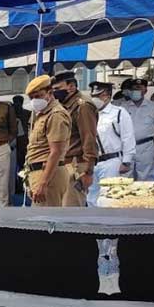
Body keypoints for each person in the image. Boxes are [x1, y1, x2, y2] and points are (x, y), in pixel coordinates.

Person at [51, 71, 98, 206]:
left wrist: (88, 171)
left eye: (58, 89)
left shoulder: (82, 106)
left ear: (71, 87)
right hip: (63, 165)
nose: (55, 93)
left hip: (76, 165)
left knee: (71, 210)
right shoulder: (63, 105)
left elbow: (89, 138)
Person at [23, 75, 71, 206]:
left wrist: (43, 183)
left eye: (38, 96)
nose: (34, 100)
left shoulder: (56, 115)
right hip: (40, 173)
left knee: (45, 221)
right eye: (31, 98)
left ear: (50, 93)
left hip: (48, 175)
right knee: (39, 220)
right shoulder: (42, 114)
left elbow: (55, 152)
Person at [87, 81, 135, 206]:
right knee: (91, 197)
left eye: (98, 96)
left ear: (107, 95)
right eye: (93, 96)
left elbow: (128, 137)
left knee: (109, 197)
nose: (95, 99)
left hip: (111, 161)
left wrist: (126, 161)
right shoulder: (90, 113)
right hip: (93, 162)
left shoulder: (118, 112)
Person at [113, 77, 154, 181]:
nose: (136, 91)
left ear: (145, 90)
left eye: (139, 88)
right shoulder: (122, 107)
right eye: (133, 89)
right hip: (127, 147)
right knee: (125, 178)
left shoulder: (153, 107)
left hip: (146, 147)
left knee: (146, 178)